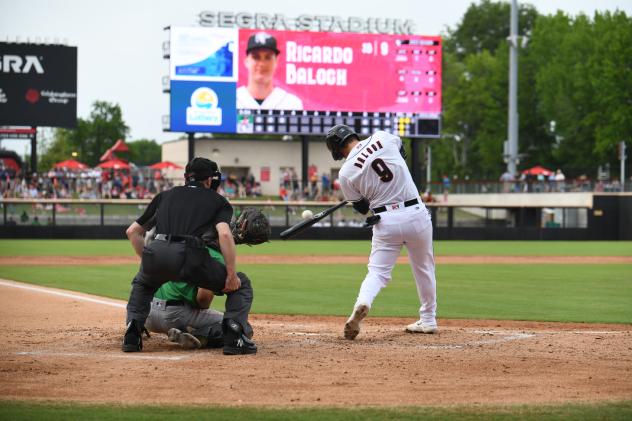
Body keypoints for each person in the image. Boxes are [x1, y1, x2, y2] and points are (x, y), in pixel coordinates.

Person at [122, 157, 256, 355]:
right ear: (210, 181)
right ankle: (234, 337)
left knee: (143, 284)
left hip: (157, 249)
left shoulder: (164, 196)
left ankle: (132, 333)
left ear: (186, 177)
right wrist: (231, 273)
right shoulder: (218, 201)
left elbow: (132, 232)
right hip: (190, 253)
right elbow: (225, 234)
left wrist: (149, 260)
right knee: (241, 285)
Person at [325, 125, 438, 340]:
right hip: (415, 213)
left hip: (386, 220)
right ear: (353, 136)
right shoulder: (383, 137)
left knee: (377, 272)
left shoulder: (346, 172)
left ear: (338, 150)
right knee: (424, 268)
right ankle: (429, 319)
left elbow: (361, 207)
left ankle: (363, 302)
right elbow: (401, 152)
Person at [237, 32, 303, 110]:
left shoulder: (292, 103)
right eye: (256, 57)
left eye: (268, 57)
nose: (262, 64)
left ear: (276, 61)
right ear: (246, 61)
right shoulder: (232, 100)